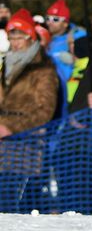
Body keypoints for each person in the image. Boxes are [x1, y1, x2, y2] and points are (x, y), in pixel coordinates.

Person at [0, 10, 60, 138]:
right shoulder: (7, 65)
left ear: (31, 38)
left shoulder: (43, 69)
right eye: (12, 38)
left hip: (27, 140)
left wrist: (12, 128)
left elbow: (45, 111)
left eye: (20, 38)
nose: (15, 43)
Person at [42, 0, 89, 108]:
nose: (50, 22)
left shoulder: (77, 36)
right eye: (48, 18)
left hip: (69, 93)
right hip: (49, 91)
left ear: (65, 23)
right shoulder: (48, 39)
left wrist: (74, 59)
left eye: (55, 19)